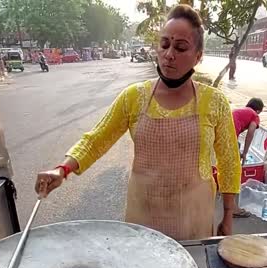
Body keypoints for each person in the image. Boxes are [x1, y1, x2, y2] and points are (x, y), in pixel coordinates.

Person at [35, 4, 241, 241]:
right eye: (164, 44)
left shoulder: (214, 101)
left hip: (194, 217)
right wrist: (63, 169)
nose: (169, 54)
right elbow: (97, 139)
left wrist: (227, 214)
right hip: (144, 215)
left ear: (198, 56)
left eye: (180, 47)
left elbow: (229, 161)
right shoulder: (133, 97)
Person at [231, 98, 264, 218]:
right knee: (233, 173)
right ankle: (233, 209)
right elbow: (250, 133)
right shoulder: (255, 115)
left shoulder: (242, 111)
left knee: (227, 170)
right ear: (259, 110)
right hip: (228, 137)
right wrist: (244, 153)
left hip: (220, 133)